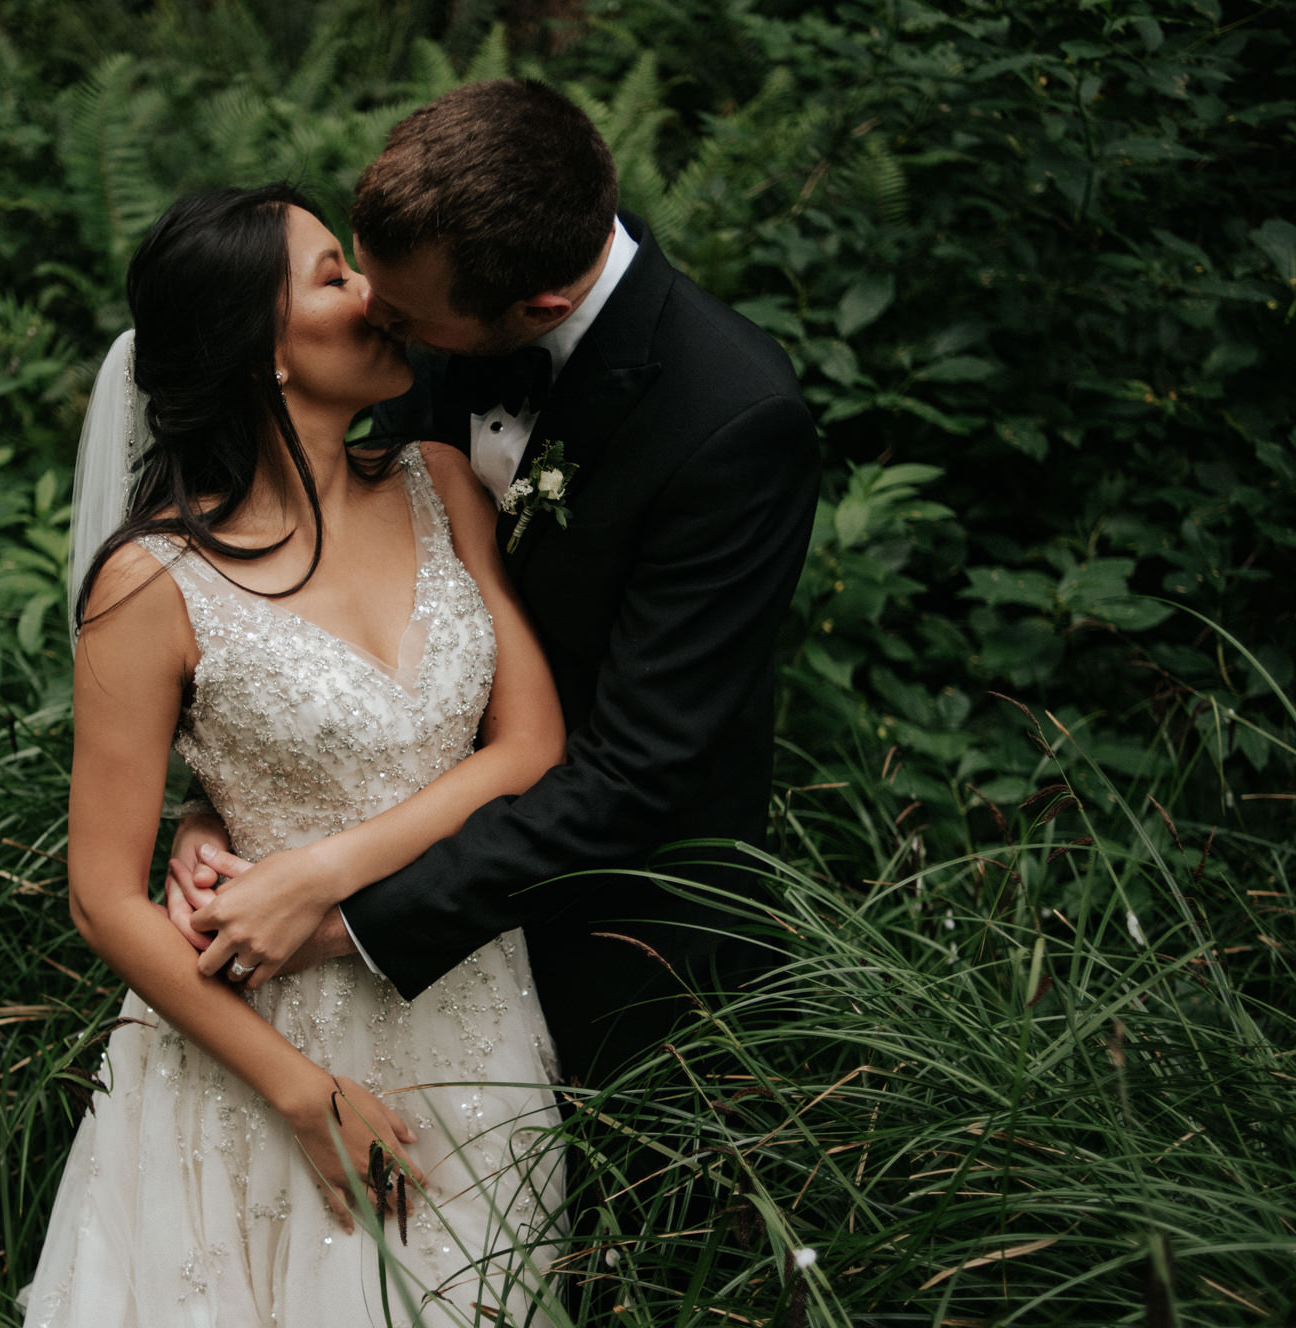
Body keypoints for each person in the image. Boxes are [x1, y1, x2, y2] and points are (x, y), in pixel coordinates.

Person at [7, 185, 569, 1328]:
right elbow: (102, 895)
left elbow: (528, 748)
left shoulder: (439, 481)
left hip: (469, 1000)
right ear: (263, 350)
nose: (374, 295)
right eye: (331, 276)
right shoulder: (152, 582)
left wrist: (320, 867)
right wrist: (301, 1094)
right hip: (258, 1041)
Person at [170, 80, 820, 1082]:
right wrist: (235, 809)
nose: (366, 320)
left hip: (615, 941)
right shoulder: (417, 308)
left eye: (405, 317)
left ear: (538, 307)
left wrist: (340, 913)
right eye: (354, 276)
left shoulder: (730, 421)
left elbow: (635, 773)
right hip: (372, 890)